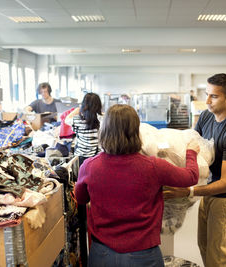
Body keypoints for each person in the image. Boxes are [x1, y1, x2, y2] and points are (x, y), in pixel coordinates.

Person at [74, 104, 200, 267]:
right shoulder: (153, 166)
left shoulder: (89, 166)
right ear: (135, 131)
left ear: (104, 130)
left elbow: (81, 198)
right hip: (143, 255)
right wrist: (191, 153)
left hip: (102, 254)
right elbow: (191, 176)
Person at [164, 73, 226, 267]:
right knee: (204, 246)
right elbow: (192, 143)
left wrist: (189, 191)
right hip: (209, 192)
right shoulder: (207, 116)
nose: (207, 101)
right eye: (207, 94)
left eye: (214, 96)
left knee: (217, 257)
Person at [65, 92, 102, 266]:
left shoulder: (77, 120)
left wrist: (77, 110)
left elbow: (65, 120)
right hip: (94, 159)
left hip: (80, 160)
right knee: (94, 190)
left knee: (80, 189)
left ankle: (82, 210)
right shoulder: (100, 120)